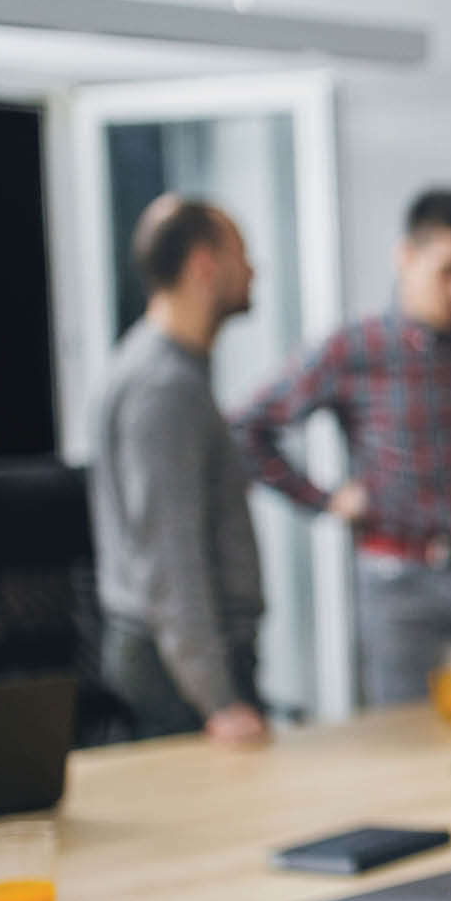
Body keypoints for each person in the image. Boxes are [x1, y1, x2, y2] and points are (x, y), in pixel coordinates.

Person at [233, 190, 451, 707]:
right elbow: (246, 428)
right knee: (406, 741)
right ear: (406, 255)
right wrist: (325, 500)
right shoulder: (354, 346)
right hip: (400, 578)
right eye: (448, 270)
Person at [89, 195, 268, 747]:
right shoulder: (163, 386)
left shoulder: (169, 369)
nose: (254, 270)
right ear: (204, 265)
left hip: (181, 657)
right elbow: (169, 557)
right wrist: (217, 699)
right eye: (242, 253)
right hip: (180, 669)